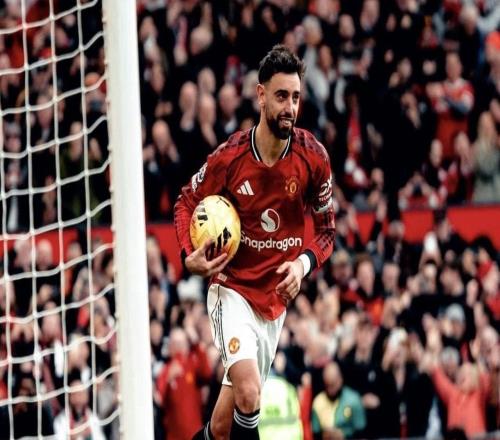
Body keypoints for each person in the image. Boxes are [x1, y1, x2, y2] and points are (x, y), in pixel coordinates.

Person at [174, 45, 336, 440]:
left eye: (295, 97)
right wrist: (188, 255)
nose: (289, 107)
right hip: (231, 289)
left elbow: (326, 230)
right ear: (261, 96)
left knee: (221, 428)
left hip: (273, 303)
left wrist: (302, 265)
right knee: (249, 391)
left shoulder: (313, 158)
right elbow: (186, 201)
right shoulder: (230, 158)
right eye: (281, 96)